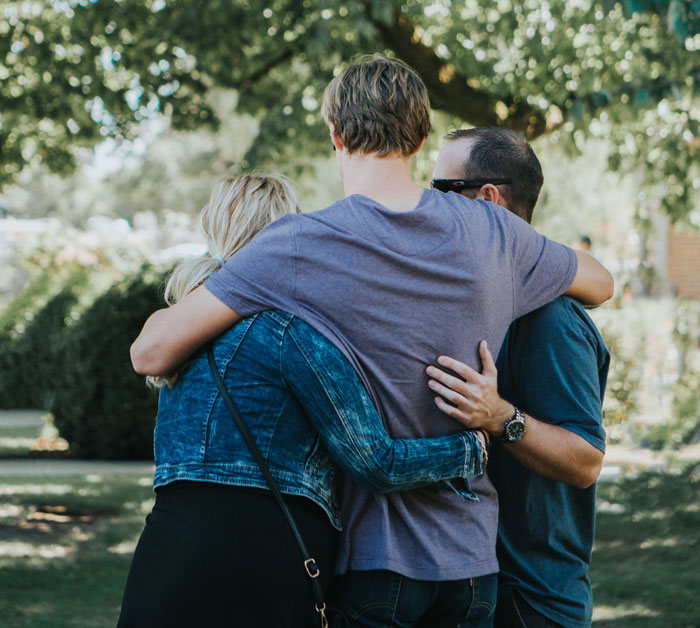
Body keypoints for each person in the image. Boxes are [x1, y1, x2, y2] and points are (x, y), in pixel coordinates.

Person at [131, 56, 614, 627]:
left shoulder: (299, 243)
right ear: (421, 137)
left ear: (334, 134)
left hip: (375, 564)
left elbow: (151, 353)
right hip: (472, 567)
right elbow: (601, 282)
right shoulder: (496, 231)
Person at [118, 174, 489, 628]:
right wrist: (472, 446)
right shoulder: (292, 335)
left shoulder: (175, 333)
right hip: (265, 556)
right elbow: (376, 462)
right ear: (288, 235)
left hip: (167, 554)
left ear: (211, 226)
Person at [425, 127, 609, 628]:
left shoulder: (551, 320)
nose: (428, 203)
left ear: (488, 199)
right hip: (476, 590)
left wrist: (498, 416)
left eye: (441, 189)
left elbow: (586, 460)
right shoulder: (483, 299)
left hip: (533, 602)